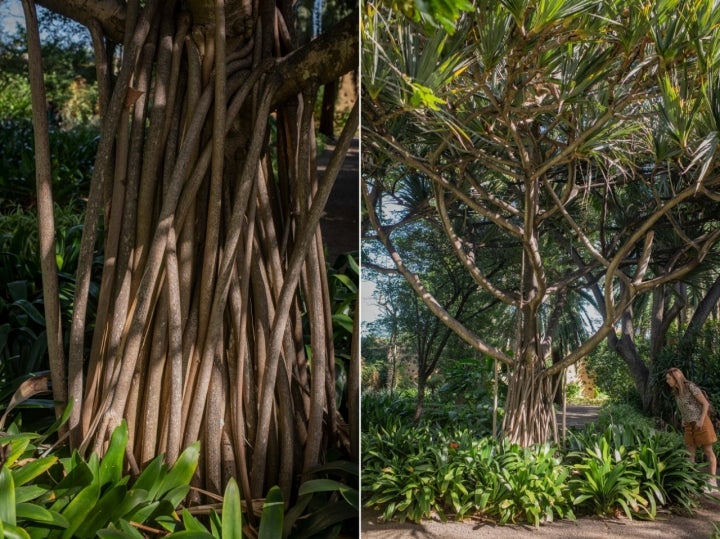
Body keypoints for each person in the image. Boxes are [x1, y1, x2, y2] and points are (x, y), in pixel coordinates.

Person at [666, 367, 717, 490]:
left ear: (675, 377)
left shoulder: (690, 387)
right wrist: (683, 418)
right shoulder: (676, 392)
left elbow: (705, 404)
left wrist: (701, 420)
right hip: (689, 424)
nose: (667, 381)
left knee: (708, 451)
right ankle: (691, 481)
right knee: (690, 453)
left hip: (701, 422)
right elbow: (685, 407)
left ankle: (712, 481)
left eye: (668, 378)